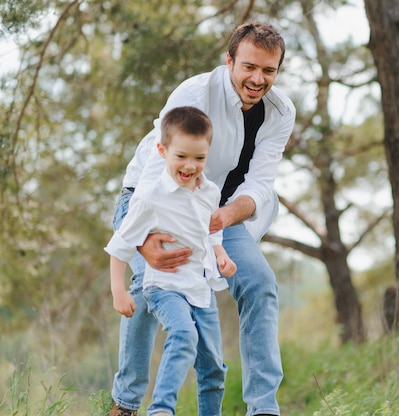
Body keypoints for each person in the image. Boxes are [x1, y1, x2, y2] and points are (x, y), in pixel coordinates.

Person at [108, 21, 295, 416]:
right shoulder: (196, 93)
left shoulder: (280, 113)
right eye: (249, 67)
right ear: (229, 61)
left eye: (269, 70)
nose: (258, 79)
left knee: (260, 283)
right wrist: (143, 241)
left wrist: (223, 218)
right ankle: (125, 405)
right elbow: (156, 168)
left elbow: (260, 186)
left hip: (216, 214)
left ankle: (264, 409)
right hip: (151, 200)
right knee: (147, 283)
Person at [106, 106, 237, 416]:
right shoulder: (151, 196)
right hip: (163, 286)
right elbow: (120, 245)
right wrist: (118, 291)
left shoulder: (209, 192)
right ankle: (161, 409)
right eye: (181, 157)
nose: (190, 166)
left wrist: (220, 254)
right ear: (162, 151)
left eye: (199, 158)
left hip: (200, 289)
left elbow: (209, 232)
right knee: (183, 334)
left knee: (214, 368)